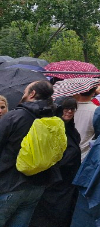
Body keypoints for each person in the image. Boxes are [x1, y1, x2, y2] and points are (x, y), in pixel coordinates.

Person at [0, 80, 61, 227]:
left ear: (32, 93)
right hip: (37, 187)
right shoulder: (52, 119)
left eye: (26, 91)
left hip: (9, 184)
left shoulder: (14, 116)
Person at [29, 97, 82, 227]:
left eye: (72, 109)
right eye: (66, 108)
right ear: (59, 109)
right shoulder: (52, 130)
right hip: (54, 185)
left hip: (67, 185)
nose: (69, 112)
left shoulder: (72, 131)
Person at [74, 84, 99, 161]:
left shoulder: (69, 109)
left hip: (69, 153)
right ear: (94, 92)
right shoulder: (97, 111)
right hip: (87, 155)